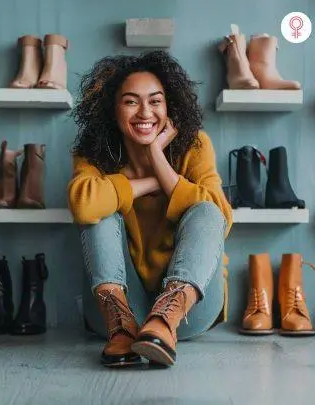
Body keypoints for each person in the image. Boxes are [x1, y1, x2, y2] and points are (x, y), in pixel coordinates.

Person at [68, 50, 233, 368]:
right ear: (112, 109)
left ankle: (163, 321)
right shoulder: (92, 153)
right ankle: (121, 324)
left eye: (155, 101)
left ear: (169, 106)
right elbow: (83, 204)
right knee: (98, 212)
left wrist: (157, 157)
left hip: (188, 312)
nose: (145, 112)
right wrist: (145, 184)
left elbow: (220, 217)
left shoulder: (195, 145)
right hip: (118, 315)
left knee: (207, 210)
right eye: (131, 101)